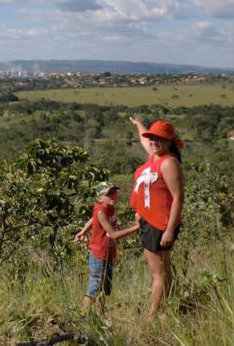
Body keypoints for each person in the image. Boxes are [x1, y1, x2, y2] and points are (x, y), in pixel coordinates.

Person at [129, 117, 185, 315]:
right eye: (152, 138)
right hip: (150, 221)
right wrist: (138, 124)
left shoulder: (168, 163)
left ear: (169, 141)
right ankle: (167, 309)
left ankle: (151, 315)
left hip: (159, 224)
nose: (153, 141)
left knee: (157, 274)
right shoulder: (155, 156)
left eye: (159, 138)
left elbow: (178, 198)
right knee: (164, 269)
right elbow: (145, 141)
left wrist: (169, 230)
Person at [74, 181, 140, 311]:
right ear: (100, 198)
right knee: (95, 286)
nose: (113, 196)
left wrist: (83, 231)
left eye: (114, 192)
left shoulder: (108, 208)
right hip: (99, 255)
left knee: (105, 286)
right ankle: (83, 313)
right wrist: (137, 227)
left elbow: (93, 219)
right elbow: (113, 234)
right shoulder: (101, 211)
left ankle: (101, 312)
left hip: (108, 252)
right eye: (109, 194)